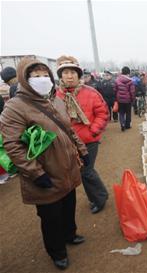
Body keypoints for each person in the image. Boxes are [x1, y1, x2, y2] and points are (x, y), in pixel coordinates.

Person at [0, 57, 89, 270]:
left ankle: (70, 234)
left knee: (68, 204)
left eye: (44, 75)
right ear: (24, 79)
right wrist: (35, 173)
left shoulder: (55, 100)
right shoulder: (15, 107)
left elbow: (68, 129)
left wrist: (82, 150)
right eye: (35, 76)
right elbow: (13, 146)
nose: (41, 79)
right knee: (50, 215)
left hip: (66, 167)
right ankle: (57, 251)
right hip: (44, 171)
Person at [55, 55, 109, 214]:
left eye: (73, 72)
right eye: (65, 73)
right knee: (80, 172)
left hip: (89, 140)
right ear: (61, 76)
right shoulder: (56, 95)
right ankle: (95, 197)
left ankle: (100, 197)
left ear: (79, 75)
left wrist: (93, 131)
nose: (69, 76)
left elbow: (102, 113)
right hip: (68, 142)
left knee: (86, 170)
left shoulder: (90, 92)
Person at [114, 66, 135, 131]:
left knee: (121, 113)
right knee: (128, 113)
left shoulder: (117, 80)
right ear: (128, 73)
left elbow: (115, 90)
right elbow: (132, 91)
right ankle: (127, 125)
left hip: (120, 100)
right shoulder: (130, 81)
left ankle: (122, 124)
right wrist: (132, 99)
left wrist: (116, 98)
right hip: (128, 100)